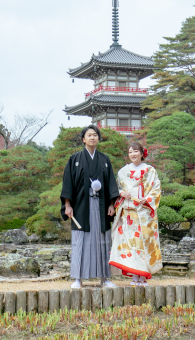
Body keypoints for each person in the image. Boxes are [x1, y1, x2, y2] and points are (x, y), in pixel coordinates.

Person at [60, 124, 120, 289]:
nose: (92, 137)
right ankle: (78, 278)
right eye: (89, 135)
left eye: (95, 135)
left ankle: (104, 278)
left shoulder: (104, 159)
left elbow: (110, 184)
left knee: (103, 241)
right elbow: (68, 184)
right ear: (83, 139)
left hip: (101, 206)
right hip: (80, 206)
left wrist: (111, 204)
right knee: (81, 241)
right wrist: (67, 205)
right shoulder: (75, 159)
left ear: (98, 138)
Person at [109, 141, 163, 286]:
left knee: (144, 243)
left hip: (145, 212)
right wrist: (121, 193)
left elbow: (156, 188)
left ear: (141, 153)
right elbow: (116, 188)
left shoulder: (150, 170)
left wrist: (147, 199)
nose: (132, 154)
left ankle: (143, 276)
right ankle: (134, 276)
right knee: (131, 244)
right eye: (130, 152)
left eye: (135, 151)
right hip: (128, 213)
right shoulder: (122, 171)